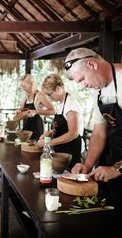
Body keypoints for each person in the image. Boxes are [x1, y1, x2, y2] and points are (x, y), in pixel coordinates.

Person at [64, 47, 122, 205]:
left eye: (82, 79)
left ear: (92, 64)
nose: (83, 85)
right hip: (114, 159)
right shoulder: (97, 91)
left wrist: (117, 169)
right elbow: (99, 132)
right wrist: (88, 164)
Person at [38, 74, 84, 170]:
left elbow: (73, 133)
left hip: (70, 151)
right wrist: (49, 133)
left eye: (50, 94)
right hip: (61, 149)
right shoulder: (62, 103)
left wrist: (49, 143)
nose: (49, 98)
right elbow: (62, 127)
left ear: (58, 89)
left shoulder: (71, 104)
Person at [15, 74, 55, 140]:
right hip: (26, 128)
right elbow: (21, 110)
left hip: (36, 129)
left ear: (31, 84)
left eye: (24, 86)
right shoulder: (26, 96)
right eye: (22, 87)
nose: (23, 89)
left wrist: (36, 112)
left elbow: (53, 111)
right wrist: (19, 111)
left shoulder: (39, 95)